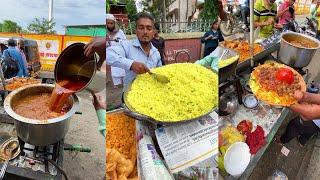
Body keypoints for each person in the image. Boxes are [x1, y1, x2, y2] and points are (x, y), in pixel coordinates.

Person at [106, 12, 162, 89]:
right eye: (141, 28)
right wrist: (131, 64)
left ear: (153, 32)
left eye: (149, 28)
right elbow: (108, 54)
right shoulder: (126, 46)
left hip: (151, 95)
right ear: (136, 30)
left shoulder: (156, 53)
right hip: (130, 95)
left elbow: (159, 74)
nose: (145, 32)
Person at [107, 13, 127, 88]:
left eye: (111, 23)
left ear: (114, 23)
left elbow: (125, 41)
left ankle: (124, 82)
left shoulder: (120, 32)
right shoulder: (105, 33)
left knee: (122, 68)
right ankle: (116, 84)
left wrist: (119, 41)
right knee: (114, 68)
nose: (110, 25)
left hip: (120, 52)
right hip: (112, 53)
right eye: (108, 23)